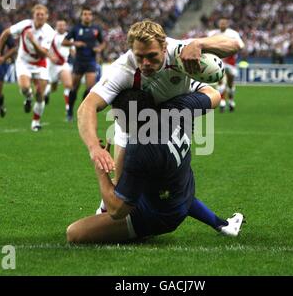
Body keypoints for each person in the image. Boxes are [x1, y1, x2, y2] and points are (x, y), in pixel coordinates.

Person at [76, 20, 243, 213]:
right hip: (132, 125)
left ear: (165, 48)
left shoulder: (180, 52)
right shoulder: (123, 69)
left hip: (173, 124)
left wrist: (199, 43)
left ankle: (214, 223)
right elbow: (87, 107)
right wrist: (94, 148)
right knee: (123, 190)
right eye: (139, 56)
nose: (145, 63)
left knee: (166, 188)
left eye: (152, 56)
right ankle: (104, 212)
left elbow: (235, 44)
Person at [66, 89, 244, 243]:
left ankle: (137, 233)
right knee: (138, 183)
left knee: (74, 233)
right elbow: (213, 95)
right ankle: (222, 224)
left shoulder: (140, 151)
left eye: (117, 116)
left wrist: (100, 170)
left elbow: (116, 210)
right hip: (182, 189)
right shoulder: (177, 109)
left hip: (157, 216)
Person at [0, 4, 56, 131]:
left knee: (40, 94)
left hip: (40, 63)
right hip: (24, 61)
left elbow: (43, 53)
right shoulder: (25, 25)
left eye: (42, 15)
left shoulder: (49, 31)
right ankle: (28, 97)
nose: (40, 17)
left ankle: (35, 122)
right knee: (25, 87)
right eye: (37, 14)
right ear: (33, 16)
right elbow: (6, 33)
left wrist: (33, 41)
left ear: (46, 17)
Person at [62, 7, 106, 121]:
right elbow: (64, 42)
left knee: (90, 88)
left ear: (92, 16)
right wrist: (75, 43)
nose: (87, 16)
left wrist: (99, 48)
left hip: (91, 62)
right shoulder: (76, 29)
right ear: (81, 16)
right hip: (79, 61)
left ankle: (82, 108)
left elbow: (103, 43)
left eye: (89, 14)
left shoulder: (96, 29)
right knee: (74, 88)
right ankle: (70, 110)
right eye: (85, 14)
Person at [207, 17, 245, 112]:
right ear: (218, 24)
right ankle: (222, 101)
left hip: (231, 61)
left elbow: (241, 45)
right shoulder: (212, 34)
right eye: (221, 23)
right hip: (218, 60)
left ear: (227, 24)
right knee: (220, 81)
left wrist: (231, 49)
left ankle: (231, 101)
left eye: (224, 23)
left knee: (230, 83)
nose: (222, 25)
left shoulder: (233, 34)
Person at [44, 18, 73, 113]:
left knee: (68, 85)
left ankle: (68, 107)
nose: (61, 27)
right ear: (56, 26)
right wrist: (50, 56)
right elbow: (44, 49)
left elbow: (73, 50)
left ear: (65, 26)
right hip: (52, 65)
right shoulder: (51, 36)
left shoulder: (69, 37)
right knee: (54, 87)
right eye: (59, 25)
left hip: (63, 64)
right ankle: (47, 93)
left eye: (63, 25)